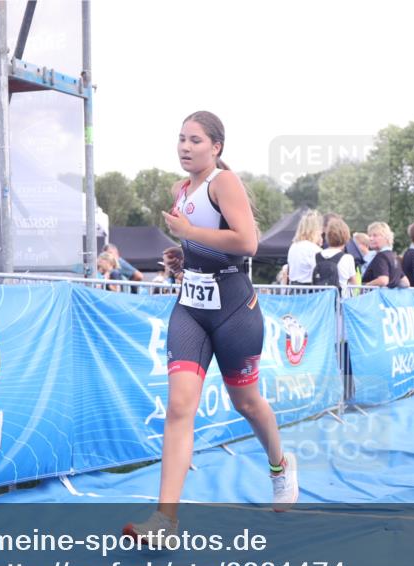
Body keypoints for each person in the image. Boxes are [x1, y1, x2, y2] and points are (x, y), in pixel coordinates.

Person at [123, 111, 297, 541]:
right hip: (190, 306)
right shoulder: (180, 189)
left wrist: (190, 232)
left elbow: (247, 242)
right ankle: (165, 521)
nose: (185, 147)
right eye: (181, 139)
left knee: (247, 403)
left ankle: (279, 463)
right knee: (180, 406)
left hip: (234, 307)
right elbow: (200, 240)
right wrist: (185, 253)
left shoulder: (224, 182)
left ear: (216, 147)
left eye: (195, 140)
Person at [316, 217, 359, 297]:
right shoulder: (348, 258)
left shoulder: (317, 255)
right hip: (340, 299)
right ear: (346, 237)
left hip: (321, 301)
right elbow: (354, 283)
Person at [361, 222, 407, 288]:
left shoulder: (381, 256)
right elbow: (405, 282)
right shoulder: (394, 257)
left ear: (386, 237)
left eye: (375, 235)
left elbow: (383, 280)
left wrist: (365, 286)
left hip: (376, 297)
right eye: (369, 236)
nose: (370, 238)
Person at [286, 210, 323, 285]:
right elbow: (319, 272)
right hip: (309, 290)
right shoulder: (314, 249)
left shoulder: (293, 247)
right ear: (315, 230)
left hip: (293, 288)